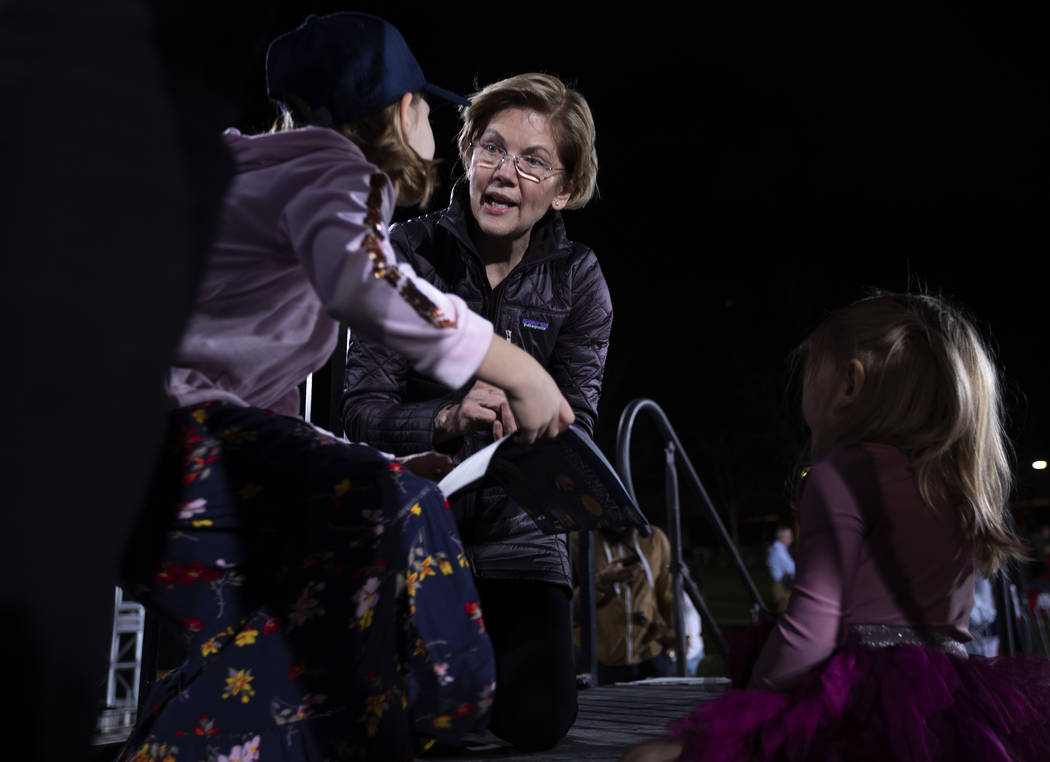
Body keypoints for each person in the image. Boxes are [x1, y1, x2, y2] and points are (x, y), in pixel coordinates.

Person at [116, 13, 575, 762]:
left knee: (269, 643)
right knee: (405, 513)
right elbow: (367, 281)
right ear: (402, 111)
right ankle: (450, 697)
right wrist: (514, 365)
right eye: (428, 106)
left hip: (146, 468)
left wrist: (351, 462)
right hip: (186, 445)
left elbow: (247, 399)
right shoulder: (334, 168)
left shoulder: (242, 167)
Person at [625, 292, 1050, 762]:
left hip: (859, 694)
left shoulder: (842, 474)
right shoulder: (955, 482)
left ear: (849, 384)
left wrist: (751, 703)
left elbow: (814, 626)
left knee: (646, 757)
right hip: (951, 695)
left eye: (810, 368)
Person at [342, 72, 608, 751]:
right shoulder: (405, 252)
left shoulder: (579, 279)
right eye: (492, 148)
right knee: (395, 720)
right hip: (417, 528)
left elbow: (579, 422)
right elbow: (362, 414)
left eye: (533, 160)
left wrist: (537, 426)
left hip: (521, 542)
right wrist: (447, 417)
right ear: (467, 153)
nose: (505, 172)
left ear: (566, 188)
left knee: (538, 721)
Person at [575, 526, 678, 684]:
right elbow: (567, 605)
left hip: (650, 653)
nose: (619, 521)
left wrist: (674, 639)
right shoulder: (577, 540)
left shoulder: (653, 538)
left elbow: (668, 594)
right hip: (598, 659)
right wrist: (602, 581)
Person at [765, 524, 795, 612]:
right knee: (784, 611)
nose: (791, 538)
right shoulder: (778, 551)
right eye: (789, 536)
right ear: (782, 537)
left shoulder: (779, 549)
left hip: (782, 583)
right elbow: (791, 568)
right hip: (782, 585)